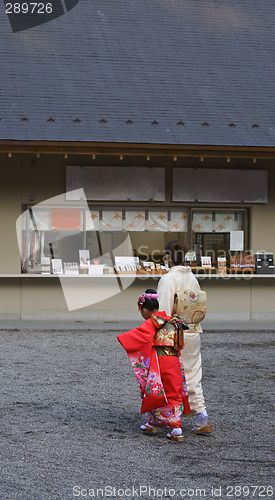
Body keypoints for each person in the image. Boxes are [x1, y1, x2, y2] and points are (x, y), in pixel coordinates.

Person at [117, 289, 191, 442]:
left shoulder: (152, 322)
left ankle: (176, 428)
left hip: (160, 361)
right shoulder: (170, 319)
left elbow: (139, 337)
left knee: (154, 389)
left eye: (141, 311)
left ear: (144, 310)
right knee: (173, 389)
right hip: (175, 359)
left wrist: (122, 338)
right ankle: (153, 422)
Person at [157, 240, 212, 434]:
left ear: (167, 257)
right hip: (192, 330)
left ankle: (171, 416)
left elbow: (162, 311)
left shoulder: (168, 279)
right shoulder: (192, 278)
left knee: (171, 375)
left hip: (173, 332)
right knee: (193, 372)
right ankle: (201, 414)